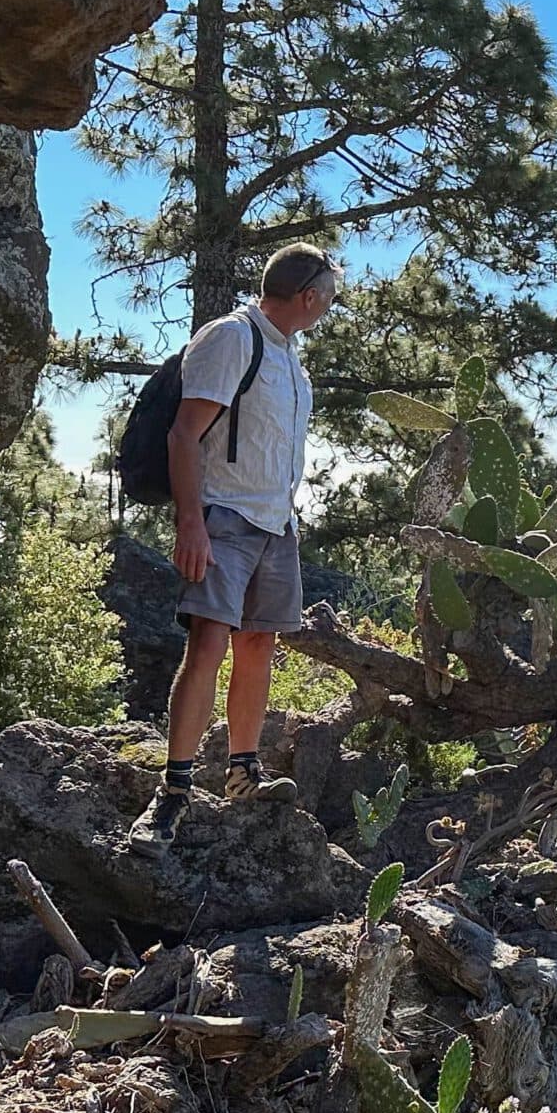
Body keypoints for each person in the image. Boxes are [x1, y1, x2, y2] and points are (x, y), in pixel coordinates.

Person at [131, 243, 341, 845]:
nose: (329, 305)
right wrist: (191, 524)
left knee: (257, 644)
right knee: (208, 647)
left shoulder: (289, 357)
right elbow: (184, 435)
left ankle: (243, 771)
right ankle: (172, 791)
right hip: (223, 518)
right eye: (327, 294)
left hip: (276, 523)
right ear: (309, 297)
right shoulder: (232, 338)